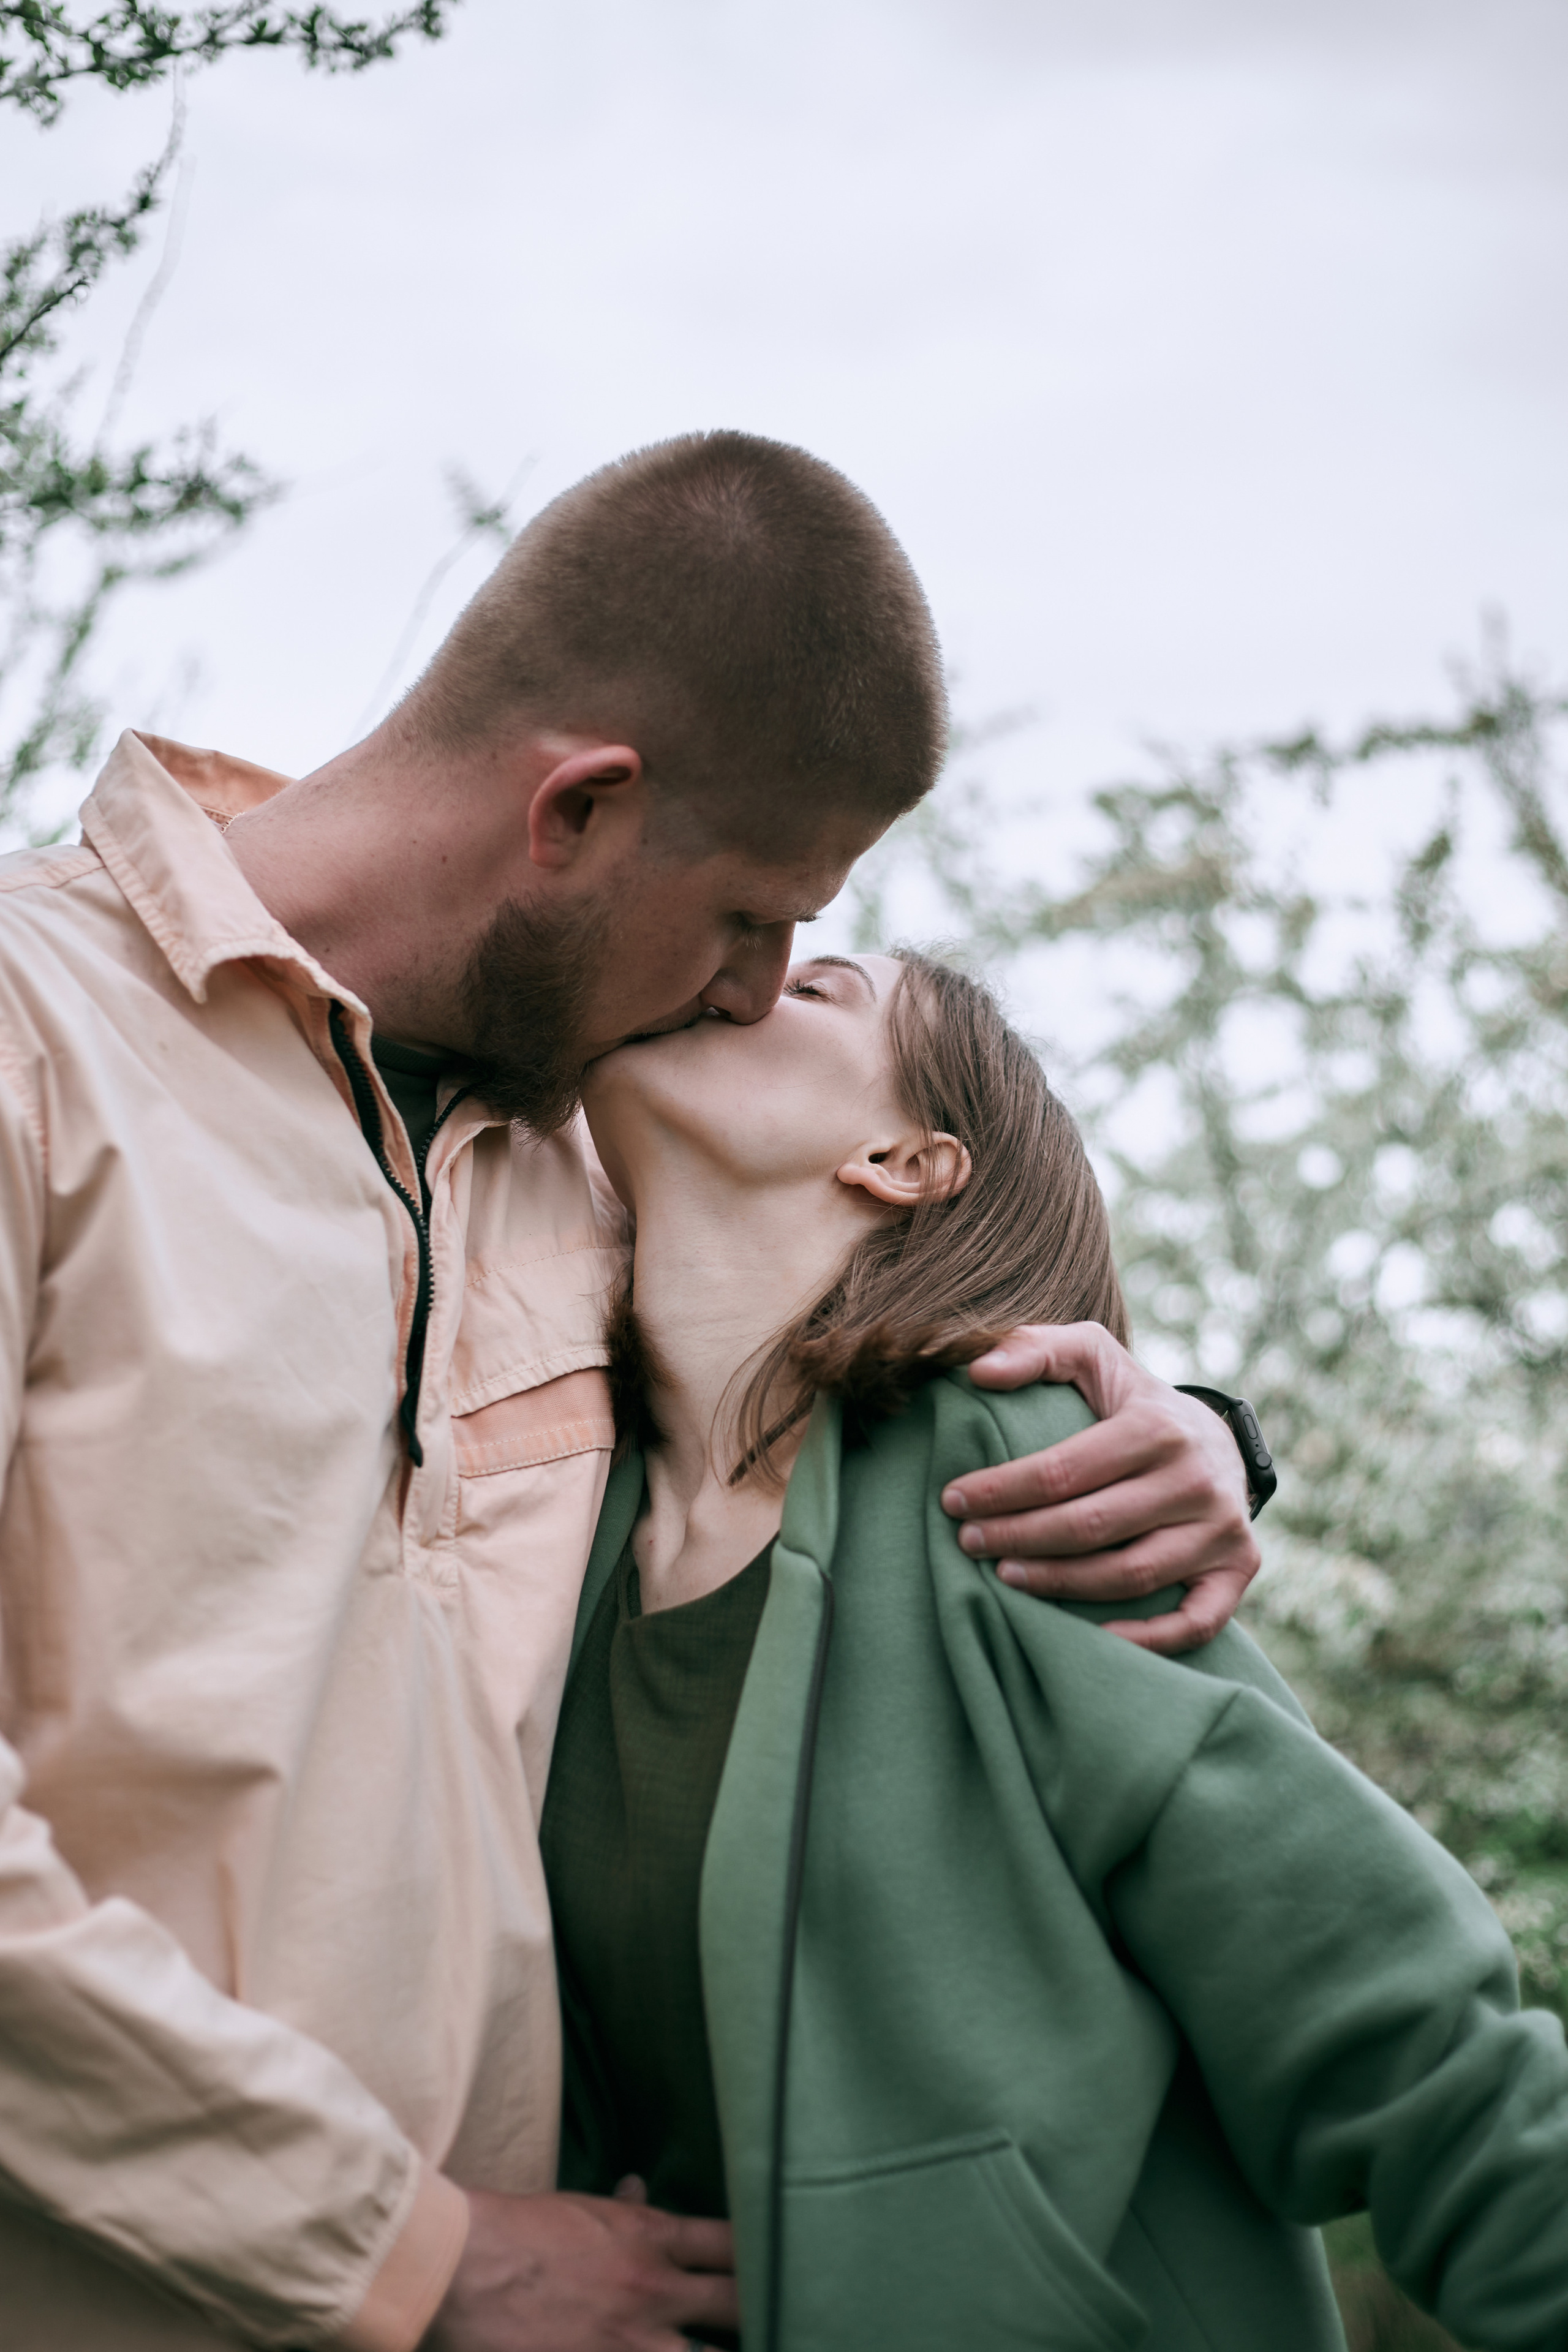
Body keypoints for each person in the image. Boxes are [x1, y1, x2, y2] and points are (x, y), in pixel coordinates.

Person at [0, 433, 1259, 2352]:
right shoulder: (35, 1042)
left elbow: (852, 1377)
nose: (757, 992)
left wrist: (1209, 1438)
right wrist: (415, 2254)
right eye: (752, 916)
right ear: (580, 807)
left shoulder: (603, 1179)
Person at [545, 944, 1568, 2352]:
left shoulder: (1012, 1484)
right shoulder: (546, 1535)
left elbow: (1408, 2046)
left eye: (819, 987)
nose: (738, 978)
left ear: (904, 1160)